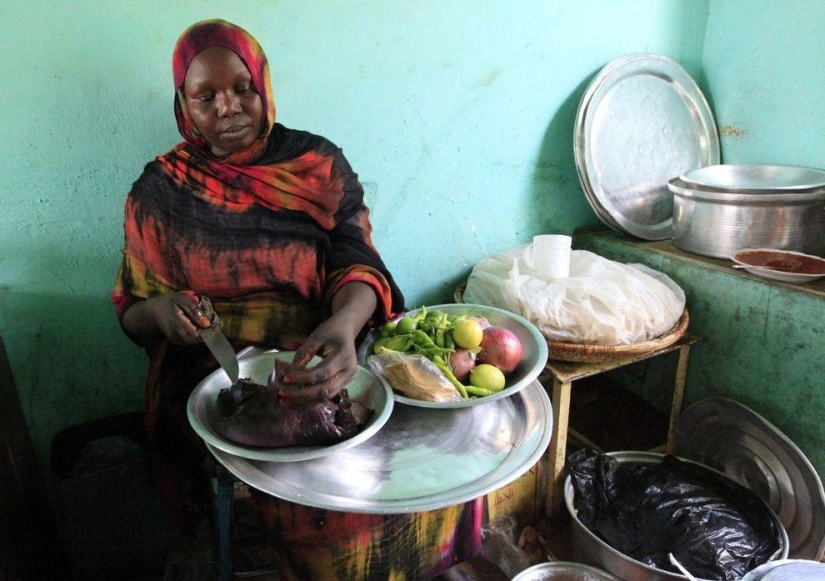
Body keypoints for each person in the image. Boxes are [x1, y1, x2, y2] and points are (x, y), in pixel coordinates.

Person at [112, 19, 482, 580]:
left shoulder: (317, 165)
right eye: (205, 97)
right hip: (214, 374)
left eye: (242, 88)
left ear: (264, 85)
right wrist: (162, 314)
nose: (229, 108)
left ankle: (418, 565)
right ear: (183, 106)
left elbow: (357, 260)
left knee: (440, 452)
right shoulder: (159, 191)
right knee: (318, 490)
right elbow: (132, 312)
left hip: (324, 349)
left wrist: (346, 322)